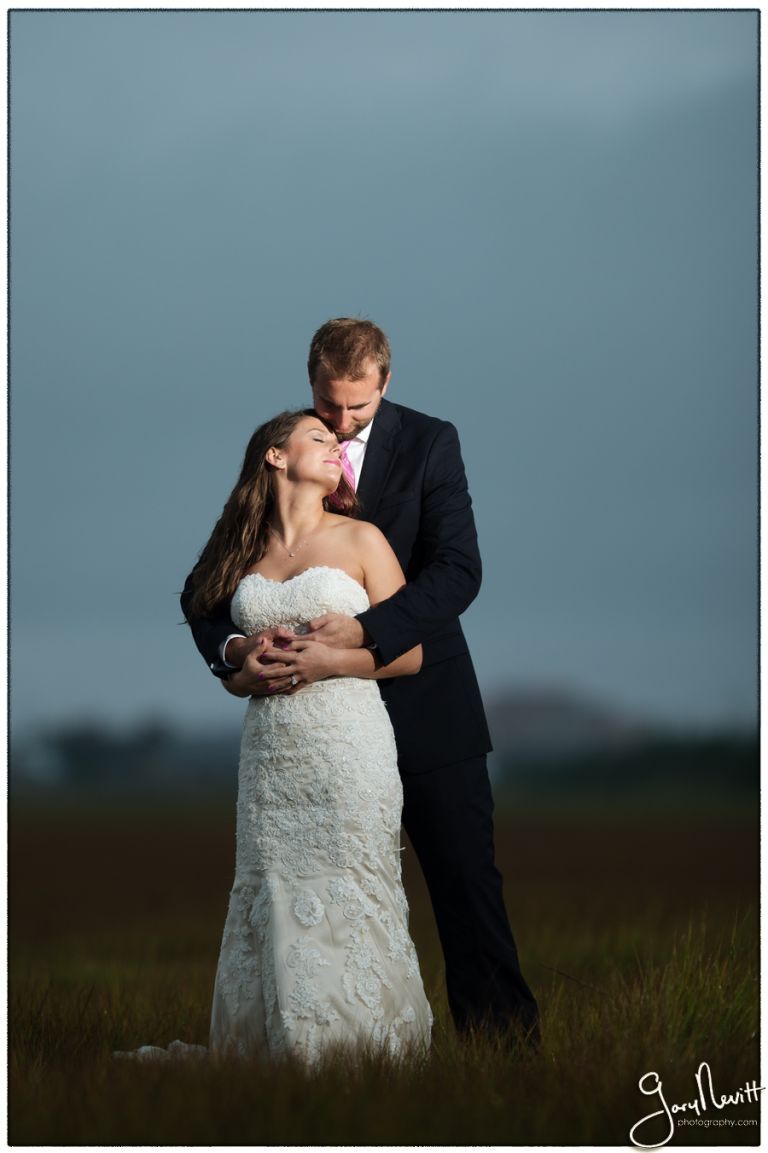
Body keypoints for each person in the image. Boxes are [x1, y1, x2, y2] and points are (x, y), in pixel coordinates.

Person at [182, 318, 540, 1049]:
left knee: (466, 888)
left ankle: (503, 1056)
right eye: (327, 406)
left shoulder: (431, 442)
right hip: (304, 733)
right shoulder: (286, 459)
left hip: (424, 703)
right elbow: (202, 592)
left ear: (386, 382)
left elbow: (458, 569)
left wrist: (368, 631)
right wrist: (235, 649)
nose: (340, 426)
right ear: (313, 382)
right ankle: (316, 1044)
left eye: (358, 410)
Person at [117, 409, 433, 1066]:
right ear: (274, 456)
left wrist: (329, 661)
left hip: (349, 742)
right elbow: (205, 619)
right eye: (318, 437)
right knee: (272, 882)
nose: (335, 446)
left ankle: (365, 1049)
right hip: (271, 752)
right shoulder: (241, 547)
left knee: (352, 877)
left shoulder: (363, 539)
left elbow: (412, 654)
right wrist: (238, 669)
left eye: (337, 443)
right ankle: (274, 1048)